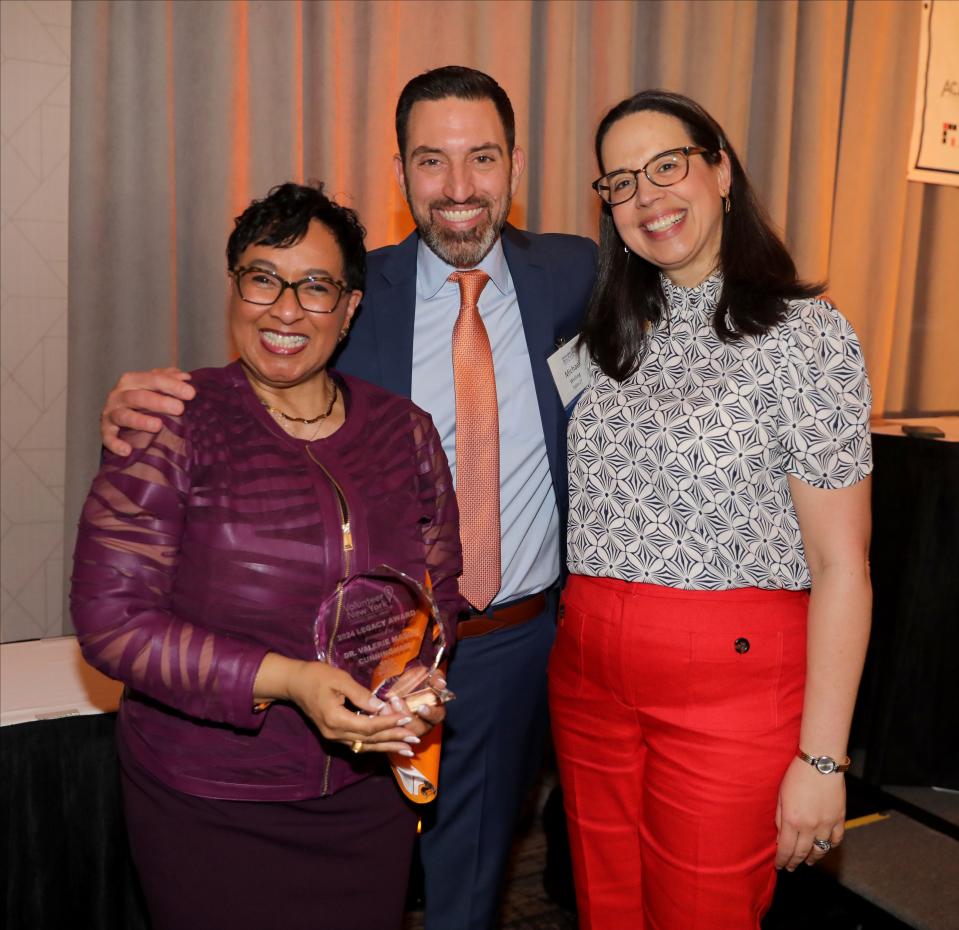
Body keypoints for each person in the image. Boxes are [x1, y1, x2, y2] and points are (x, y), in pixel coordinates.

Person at [95, 67, 597, 930]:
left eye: (481, 158)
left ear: (515, 164)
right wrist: (146, 400)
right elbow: (271, 365)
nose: (460, 188)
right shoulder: (356, 289)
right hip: (345, 653)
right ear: (400, 174)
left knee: (467, 880)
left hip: (509, 637)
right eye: (431, 162)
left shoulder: (575, 274)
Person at [71, 182, 462, 930]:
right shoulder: (172, 421)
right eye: (262, 278)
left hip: (364, 797)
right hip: (211, 797)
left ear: (349, 307)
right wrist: (287, 681)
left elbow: (437, 590)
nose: (285, 309)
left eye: (315, 287)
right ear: (235, 290)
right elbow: (112, 622)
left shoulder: (403, 431)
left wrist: (417, 684)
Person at [550, 89, 873, 930]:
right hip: (586, 677)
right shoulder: (613, 332)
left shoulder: (805, 337)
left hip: (726, 689)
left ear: (720, 169)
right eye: (620, 182)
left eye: (668, 166)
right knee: (605, 911)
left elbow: (843, 567)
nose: (647, 197)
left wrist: (823, 759)